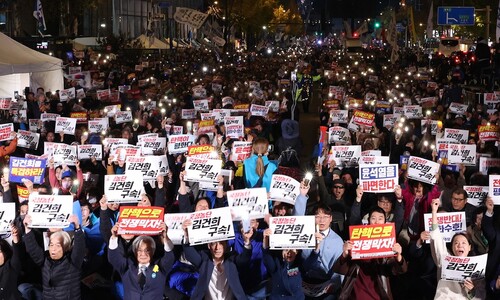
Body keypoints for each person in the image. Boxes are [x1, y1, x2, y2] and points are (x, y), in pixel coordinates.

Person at [334, 206, 407, 300]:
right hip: (355, 295)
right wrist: (345, 254)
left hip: (378, 295)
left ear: (385, 222)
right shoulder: (356, 239)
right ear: (368, 221)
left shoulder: (389, 243)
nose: (377, 222)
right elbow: (340, 270)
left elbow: (398, 270)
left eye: (380, 219)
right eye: (373, 218)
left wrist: (398, 256)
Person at [428, 198, 486, 299]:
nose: (460, 245)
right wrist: (434, 212)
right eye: (456, 243)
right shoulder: (444, 260)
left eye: (464, 243)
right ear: (452, 248)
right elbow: (436, 238)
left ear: (469, 247)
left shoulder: (477, 267)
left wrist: (471, 291)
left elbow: (481, 296)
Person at [22, 214, 85, 300]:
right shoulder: (45, 260)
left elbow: (79, 248)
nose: (53, 249)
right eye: (51, 245)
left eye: (58, 245)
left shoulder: (73, 262)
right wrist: (27, 229)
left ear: (65, 247)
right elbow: (32, 248)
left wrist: (77, 227)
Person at [182, 226, 254, 299]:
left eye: (221, 243)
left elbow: (244, 258)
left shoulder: (232, 259)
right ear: (209, 246)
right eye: (214, 244)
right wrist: (186, 236)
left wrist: (247, 241)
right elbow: (190, 255)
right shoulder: (204, 259)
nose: (217, 247)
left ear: (226, 246)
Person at [107, 222, 175, 300]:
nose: (143, 254)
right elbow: (113, 257)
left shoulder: (160, 267)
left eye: (147, 250)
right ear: (135, 252)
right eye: (139, 250)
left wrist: (165, 237)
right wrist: (114, 236)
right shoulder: (127, 266)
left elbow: (170, 256)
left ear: (153, 251)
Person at [301, 205, 343, 299]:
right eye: (318, 217)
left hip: (327, 286)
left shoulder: (337, 240)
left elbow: (338, 269)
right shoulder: (305, 236)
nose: (322, 220)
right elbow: (305, 264)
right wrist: (316, 249)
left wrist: (333, 286)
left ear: (331, 218)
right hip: (305, 283)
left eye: (325, 217)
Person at [262, 228, 305, 299]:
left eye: (292, 249)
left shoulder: (301, 265)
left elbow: (311, 262)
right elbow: (267, 257)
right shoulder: (276, 265)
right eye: (286, 250)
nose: (289, 253)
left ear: (296, 252)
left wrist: (317, 247)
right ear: (282, 252)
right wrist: (265, 239)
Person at [0, 225, 22, 300]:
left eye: (0, 252)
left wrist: (15, 237)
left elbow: (17, 252)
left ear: (5, 252)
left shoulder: (11, 266)